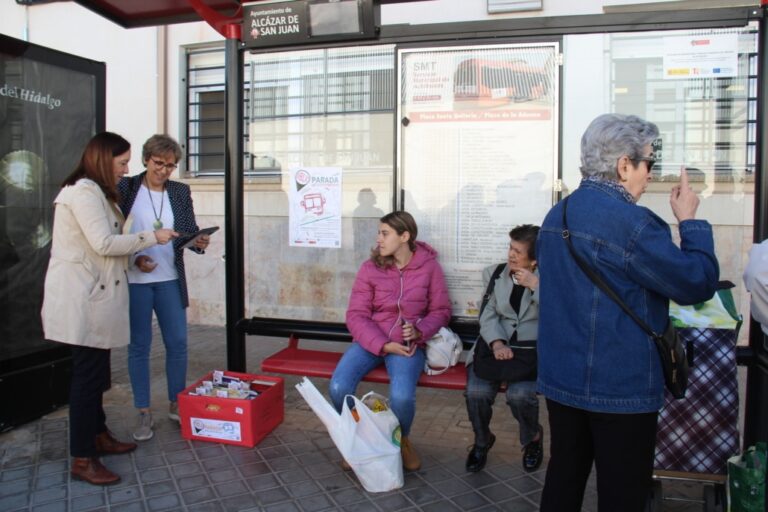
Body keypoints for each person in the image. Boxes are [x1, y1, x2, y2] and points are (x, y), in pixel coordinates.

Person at [536, 113, 719, 511]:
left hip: (563, 378)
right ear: (624, 165)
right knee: (622, 492)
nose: (651, 174)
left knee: (564, 477)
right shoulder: (634, 225)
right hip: (620, 384)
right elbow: (696, 283)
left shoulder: (556, 215)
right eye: (649, 162)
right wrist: (690, 221)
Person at [41, 132, 177, 485]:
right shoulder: (83, 192)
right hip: (83, 300)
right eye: (122, 163)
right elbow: (102, 243)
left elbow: (104, 246)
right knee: (87, 380)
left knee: (96, 375)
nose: (125, 170)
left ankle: (99, 435)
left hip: (94, 298)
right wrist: (151, 238)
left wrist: (135, 257)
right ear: (104, 160)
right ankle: (83, 457)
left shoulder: (97, 192)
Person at [329, 210, 451, 471]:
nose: (379, 239)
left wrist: (419, 331)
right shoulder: (370, 268)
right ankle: (360, 438)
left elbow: (441, 310)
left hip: (407, 347)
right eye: (379, 233)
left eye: (385, 234)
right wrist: (382, 344)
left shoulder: (429, 267)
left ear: (404, 236)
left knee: (402, 397)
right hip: (371, 341)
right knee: (339, 387)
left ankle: (401, 440)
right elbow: (356, 315)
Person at [117, 134, 210, 442]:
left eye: (170, 166)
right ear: (146, 159)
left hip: (170, 278)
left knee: (178, 343)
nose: (164, 170)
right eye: (159, 163)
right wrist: (135, 258)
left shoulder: (179, 191)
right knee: (139, 347)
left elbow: (187, 232)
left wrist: (197, 242)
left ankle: (176, 403)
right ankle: (143, 411)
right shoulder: (126, 188)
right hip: (136, 281)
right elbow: (115, 234)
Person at [464, 224, 543, 473]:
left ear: (535, 258)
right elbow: (486, 315)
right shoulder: (495, 273)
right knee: (476, 393)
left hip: (530, 353)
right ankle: (482, 440)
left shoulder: (551, 279)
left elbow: (561, 315)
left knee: (519, 396)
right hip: (492, 347)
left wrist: (536, 286)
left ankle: (532, 438)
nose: (511, 254)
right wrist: (497, 342)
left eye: (518, 251)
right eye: (510, 247)